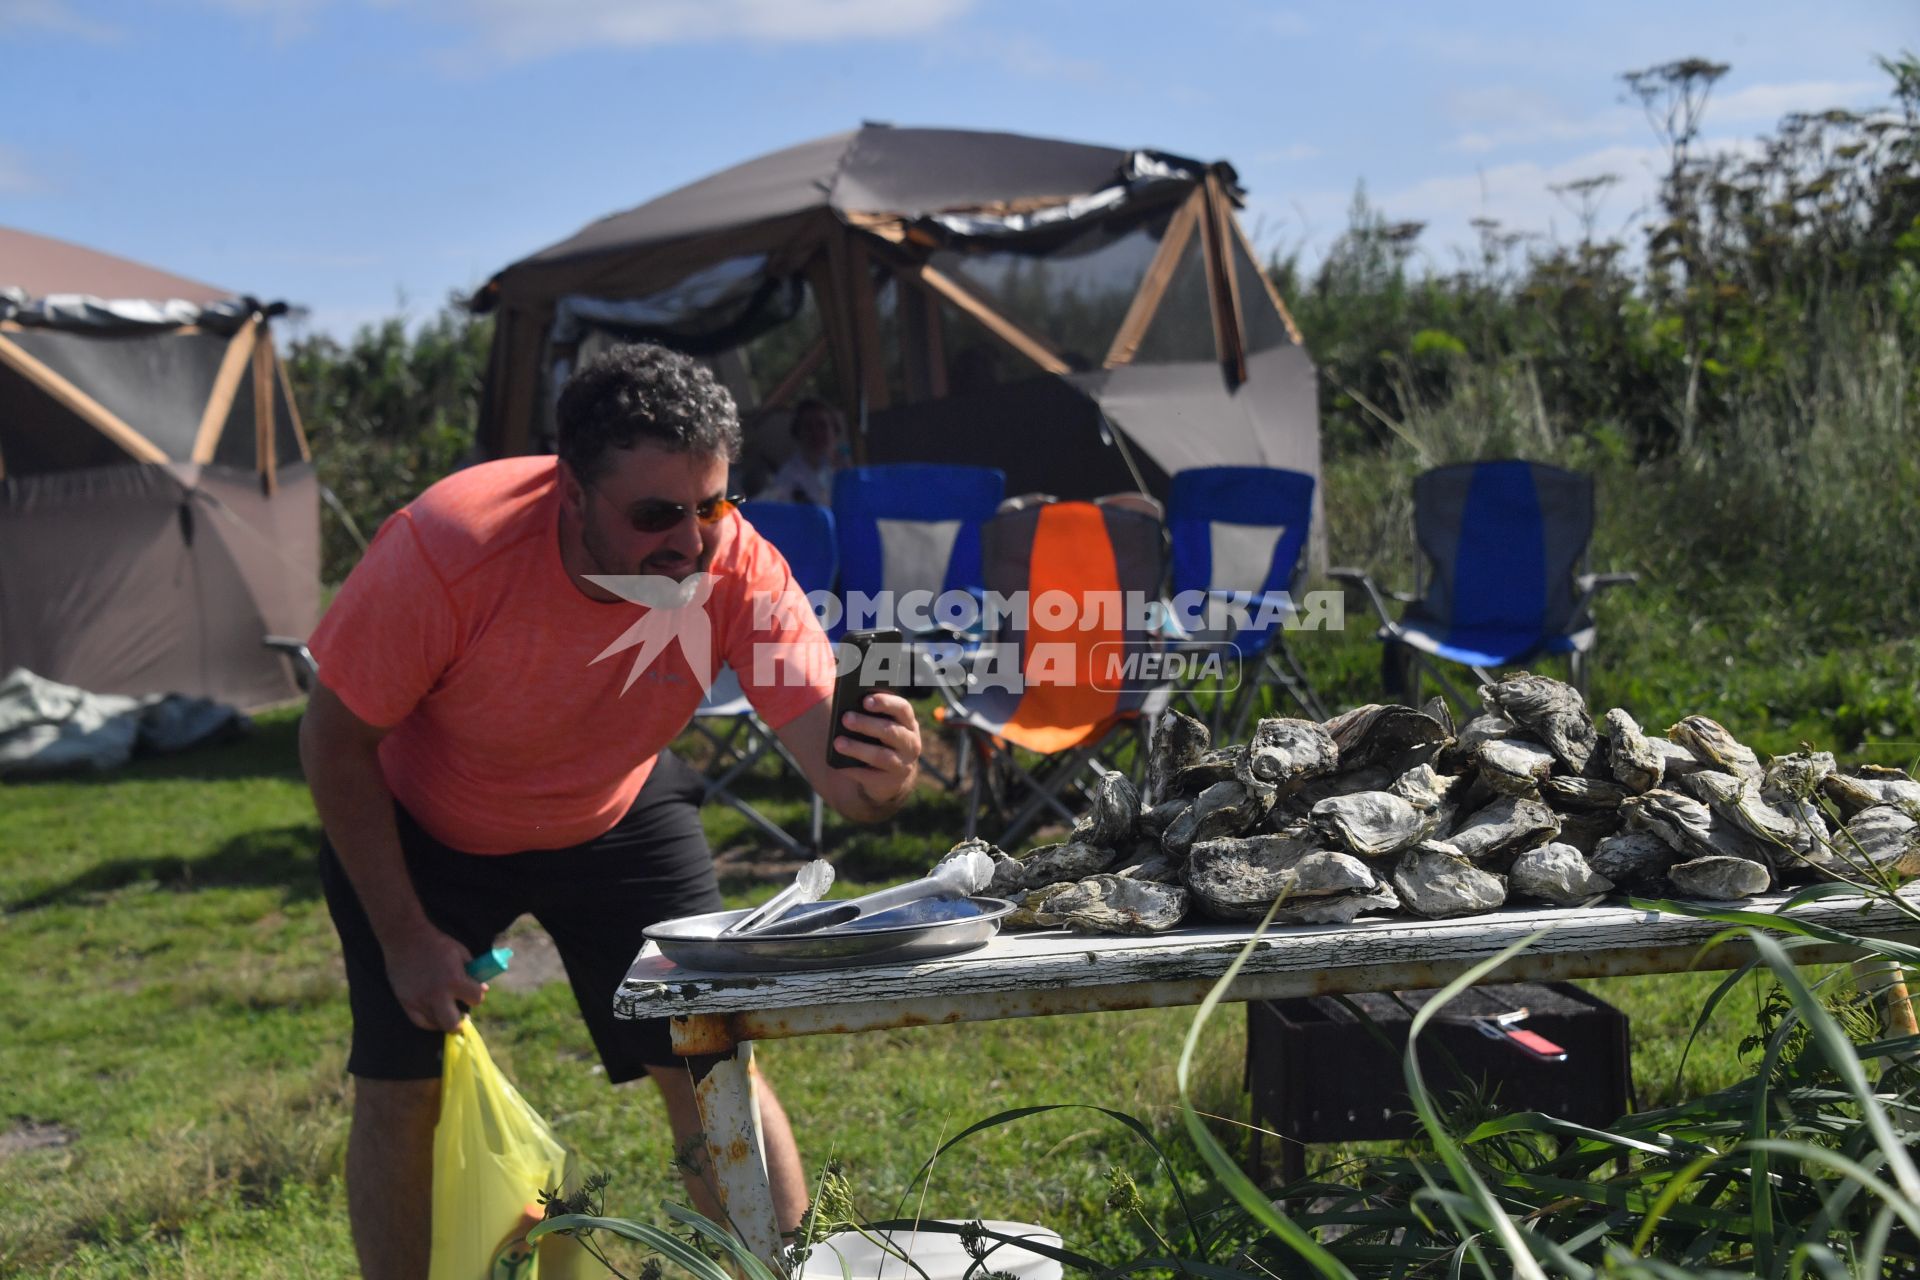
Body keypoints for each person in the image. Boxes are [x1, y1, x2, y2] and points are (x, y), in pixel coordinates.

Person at [300, 343, 922, 1280]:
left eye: (711, 506)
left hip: (616, 807)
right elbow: (332, 744)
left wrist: (885, 773)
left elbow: (843, 778)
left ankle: (781, 1275)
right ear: (571, 495)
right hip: (425, 828)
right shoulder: (448, 549)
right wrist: (402, 934)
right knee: (402, 1090)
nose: (688, 540)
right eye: (654, 514)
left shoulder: (737, 565)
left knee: (714, 1067)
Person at [754, 397, 846, 505]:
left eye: (822, 425)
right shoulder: (789, 477)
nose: (816, 433)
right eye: (808, 427)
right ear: (798, 433)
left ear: (834, 430)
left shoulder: (848, 469)